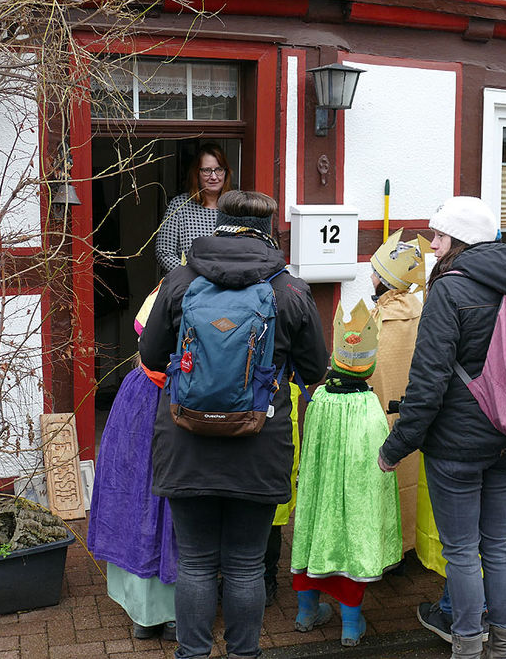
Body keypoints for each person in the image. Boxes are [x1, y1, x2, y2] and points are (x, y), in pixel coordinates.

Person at [139, 190, 328, 659]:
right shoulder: (289, 290)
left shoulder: (180, 281)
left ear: (217, 221)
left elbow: (150, 355)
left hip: (186, 441)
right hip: (258, 444)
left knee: (197, 565)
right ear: (269, 232)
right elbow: (315, 370)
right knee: (245, 566)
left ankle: (192, 654)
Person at [378, 196, 506, 659]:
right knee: (498, 544)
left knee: (461, 551)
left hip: (459, 445)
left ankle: (468, 648)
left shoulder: (451, 289)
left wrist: (397, 447)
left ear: (461, 240)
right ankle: (504, 648)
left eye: (439, 236)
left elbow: (428, 380)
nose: (432, 246)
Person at [290, 300, 402, 647]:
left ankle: (306, 614)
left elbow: (311, 446)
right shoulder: (369, 404)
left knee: (311, 541)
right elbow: (376, 456)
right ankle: (350, 627)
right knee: (351, 548)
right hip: (354, 497)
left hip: (319, 492)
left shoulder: (320, 397)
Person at [87, 285, 176, 641]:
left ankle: (143, 613)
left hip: (141, 399)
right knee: (169, 504)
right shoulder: (207, 292)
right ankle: (173, 614)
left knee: (135, 498)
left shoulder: (162, 290)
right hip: (183, 401)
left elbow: (145, 340)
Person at [367, 229, 429, 555]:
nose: (371, 277)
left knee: (383, 484)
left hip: (380, 418)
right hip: (416, 417)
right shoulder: (421, 311)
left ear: (384, 280)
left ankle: (385, 550)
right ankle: (409, 545)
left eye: (375, 272)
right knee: (411, 482)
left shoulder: (378, 318)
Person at [155, 142, 233, 274]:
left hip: (227, 287)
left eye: (219, 169)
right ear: (196, 173)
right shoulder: (179, 206)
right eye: (207, 170)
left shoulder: (234, 208)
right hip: (189, 286)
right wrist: (193, 277)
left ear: (226, 172)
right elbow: (164, 253)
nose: (214, 177)